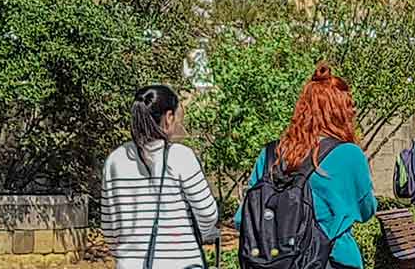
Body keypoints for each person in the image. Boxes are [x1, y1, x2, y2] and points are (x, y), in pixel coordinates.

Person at [243, 64, 378, 269]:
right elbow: (367, 210)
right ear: (341, 112)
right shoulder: (349, 154)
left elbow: (242, 218)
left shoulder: (271, 154)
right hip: (331, 260)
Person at [100, 84, 220, 269]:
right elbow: (207, 213)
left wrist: (128, 255)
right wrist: (197, 236)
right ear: (169, 117)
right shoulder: (181, 156)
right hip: (180, 263)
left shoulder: (115, 160)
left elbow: (109, 227)